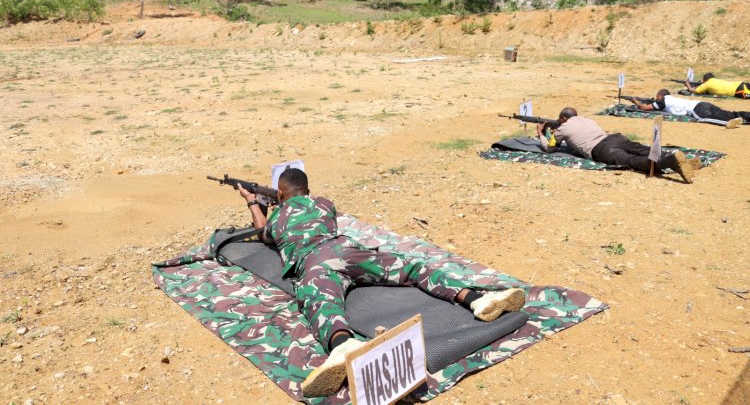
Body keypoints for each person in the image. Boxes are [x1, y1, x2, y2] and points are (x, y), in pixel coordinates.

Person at [237, 168, 526, 397]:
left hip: (315, 260)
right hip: (347, 250)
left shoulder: (278, 216)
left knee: (320, 301)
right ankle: (477, 298)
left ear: (279, 193)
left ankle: (343, 344)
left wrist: (253, 203)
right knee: (412, 268)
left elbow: (264, 235)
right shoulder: (324, 203)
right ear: (308, 190)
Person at [536, 107, 699, 183]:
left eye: (559, 119)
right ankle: (676, 158)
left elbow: (550, 148)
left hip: (602, 149)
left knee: (632, 161)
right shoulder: (587, 119)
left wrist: (541, 133)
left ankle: (669, 162)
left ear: (563, 118)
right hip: (615, 138)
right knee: (644, 150)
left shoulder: (563, 127)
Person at [628, 89, 749, 129]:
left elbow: (644, 108)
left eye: (657, 97)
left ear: (660, 95)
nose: (656, 99)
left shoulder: (663, 101)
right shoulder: (672, 98)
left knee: (703, 119)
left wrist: (635, 101)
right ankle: (745, 116)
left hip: (697, 110)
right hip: (702, 103)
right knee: (729, 113)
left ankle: (727, 123)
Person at [685, 73, 750, 98]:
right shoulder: (716, 80)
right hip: (741, 84)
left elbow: (693, 91)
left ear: (705, 80)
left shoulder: (707, 84)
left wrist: (687, 84)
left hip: (739, 90)